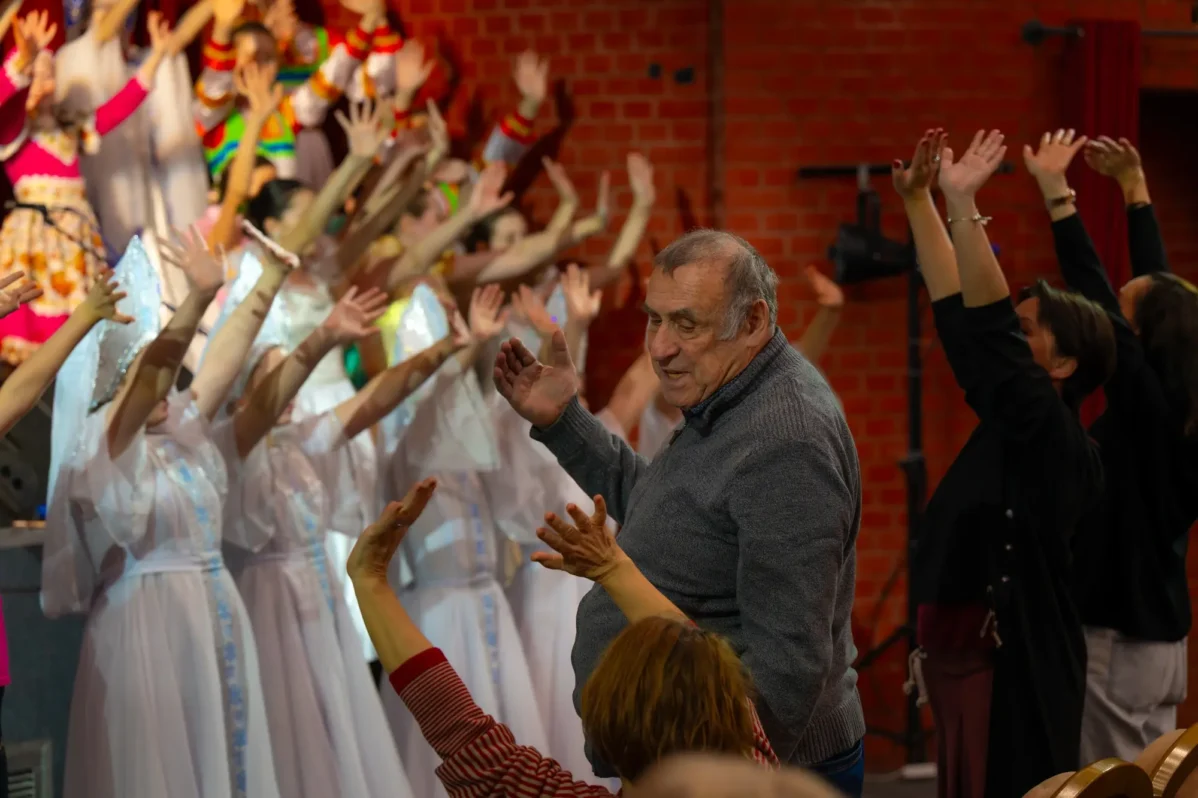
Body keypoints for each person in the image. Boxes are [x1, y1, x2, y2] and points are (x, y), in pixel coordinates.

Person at [492, 228, 866, 794]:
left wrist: (721, 784)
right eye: (655, 319)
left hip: (741, 773)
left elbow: (787, 673)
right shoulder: (731, 394)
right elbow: (669, 514)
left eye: (686, 324)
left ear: (753, 321)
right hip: (686, 758)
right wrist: (564, 421)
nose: (660, 347)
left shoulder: (786, 442)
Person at [892, 129, 1116, 798]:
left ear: (1063, 364)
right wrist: (919, 203)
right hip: (973, 666)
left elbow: (987, 331)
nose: (1010, 343)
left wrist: (963, 203)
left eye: (1028, 333)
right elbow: (961, 319)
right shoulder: (1015, 424)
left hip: (1021, 677)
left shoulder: (1055, 438)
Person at [42, 228, 286, 798]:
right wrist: (197, 300)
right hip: (149, 627)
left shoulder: (179, 434)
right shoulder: (104, 442)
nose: (168, 386)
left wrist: (268, 280)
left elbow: (221, 362)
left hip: (209, 611)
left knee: (220, 758)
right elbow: (155, 373)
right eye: (145, 373)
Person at [348, 480, 779, 796]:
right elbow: (704, 668)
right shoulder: (759, 773)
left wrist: (370, 582)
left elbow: (461, 732)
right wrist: (616, 571)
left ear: (602, 722)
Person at [1024, 131, 1198, 761]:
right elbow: (1164, 295)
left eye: (1126, 317)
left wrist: (1058, 195)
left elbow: (1096, 291)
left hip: (1119, 643)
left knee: (1110, 788)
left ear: (1143, 337)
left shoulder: (1150, 410)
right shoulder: (1180, 402)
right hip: (1163, 643)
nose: (1113, 320)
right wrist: (1135, 190)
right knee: (1157, 786)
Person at [380, 281, 552, 798]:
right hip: (443, 613)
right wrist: (466, 348)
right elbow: (428, 407)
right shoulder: (406, 444)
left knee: (507, 728)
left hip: (487, 603)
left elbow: (510, 427)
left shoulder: (472, 445)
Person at [0, 10, 172, 364]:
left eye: (50, 74)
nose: (45, 84)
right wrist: (20, 61)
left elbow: (117, 109)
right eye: (36, 75)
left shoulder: (70, 128)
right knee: (32, 336)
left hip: (75, 236)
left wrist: (156, 57)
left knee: (78, 341)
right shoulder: (14, 131)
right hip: (34, 239)